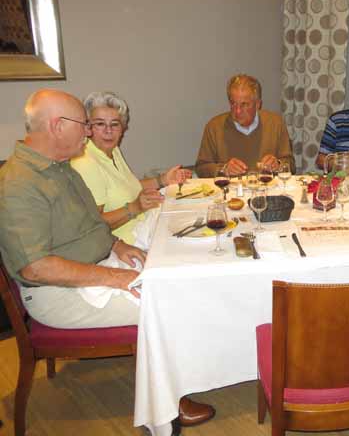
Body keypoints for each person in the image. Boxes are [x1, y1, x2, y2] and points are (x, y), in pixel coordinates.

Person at [0, 89, 214, 429]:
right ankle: (164, 411)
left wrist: (117, 244)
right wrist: (116, 277)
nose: (89, 133)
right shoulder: (20, 184)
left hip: (93, 268)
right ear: (56, 125)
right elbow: (36, 267)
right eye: (84, 124)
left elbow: (88, 223)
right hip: (57, 294)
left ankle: (174, 383)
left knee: (173, 281)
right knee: (165, 306)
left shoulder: (59, 167)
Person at [71, 91, 190, 246]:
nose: (108, 131)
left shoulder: (112, 150)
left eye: (115, 124)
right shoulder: (85, 163)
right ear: (87, 127)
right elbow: (93, 226)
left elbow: (127, 187)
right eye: (100, 124)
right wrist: (135, 208)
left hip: (145, 227)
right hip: (126, 244)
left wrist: (163, 180)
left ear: (123, 128)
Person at [196, 74, 295, 177]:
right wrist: (223, 169)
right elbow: (201, 168)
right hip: (230, 187)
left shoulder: (276, 124)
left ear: (258, 104)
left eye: (244, 104)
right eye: (233, 103)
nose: (237, 111)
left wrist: (278, 165)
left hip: (266, 186)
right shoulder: (214, 127)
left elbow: (291, 166)